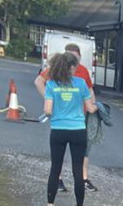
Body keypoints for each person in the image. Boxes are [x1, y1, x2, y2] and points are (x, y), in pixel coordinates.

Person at [33, 43, 97, 192]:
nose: (71, 62)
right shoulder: (58, 69)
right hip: (62, 118)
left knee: (82, 152)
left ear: (79, 57)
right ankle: (59, 181)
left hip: (79, 117)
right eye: (68, 56)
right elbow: (39, 82)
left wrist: (92, 106)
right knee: (58, 156)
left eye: (74, 57)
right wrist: (50, 100)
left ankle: (84, 178)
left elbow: (90, 89)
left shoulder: (83, 72)